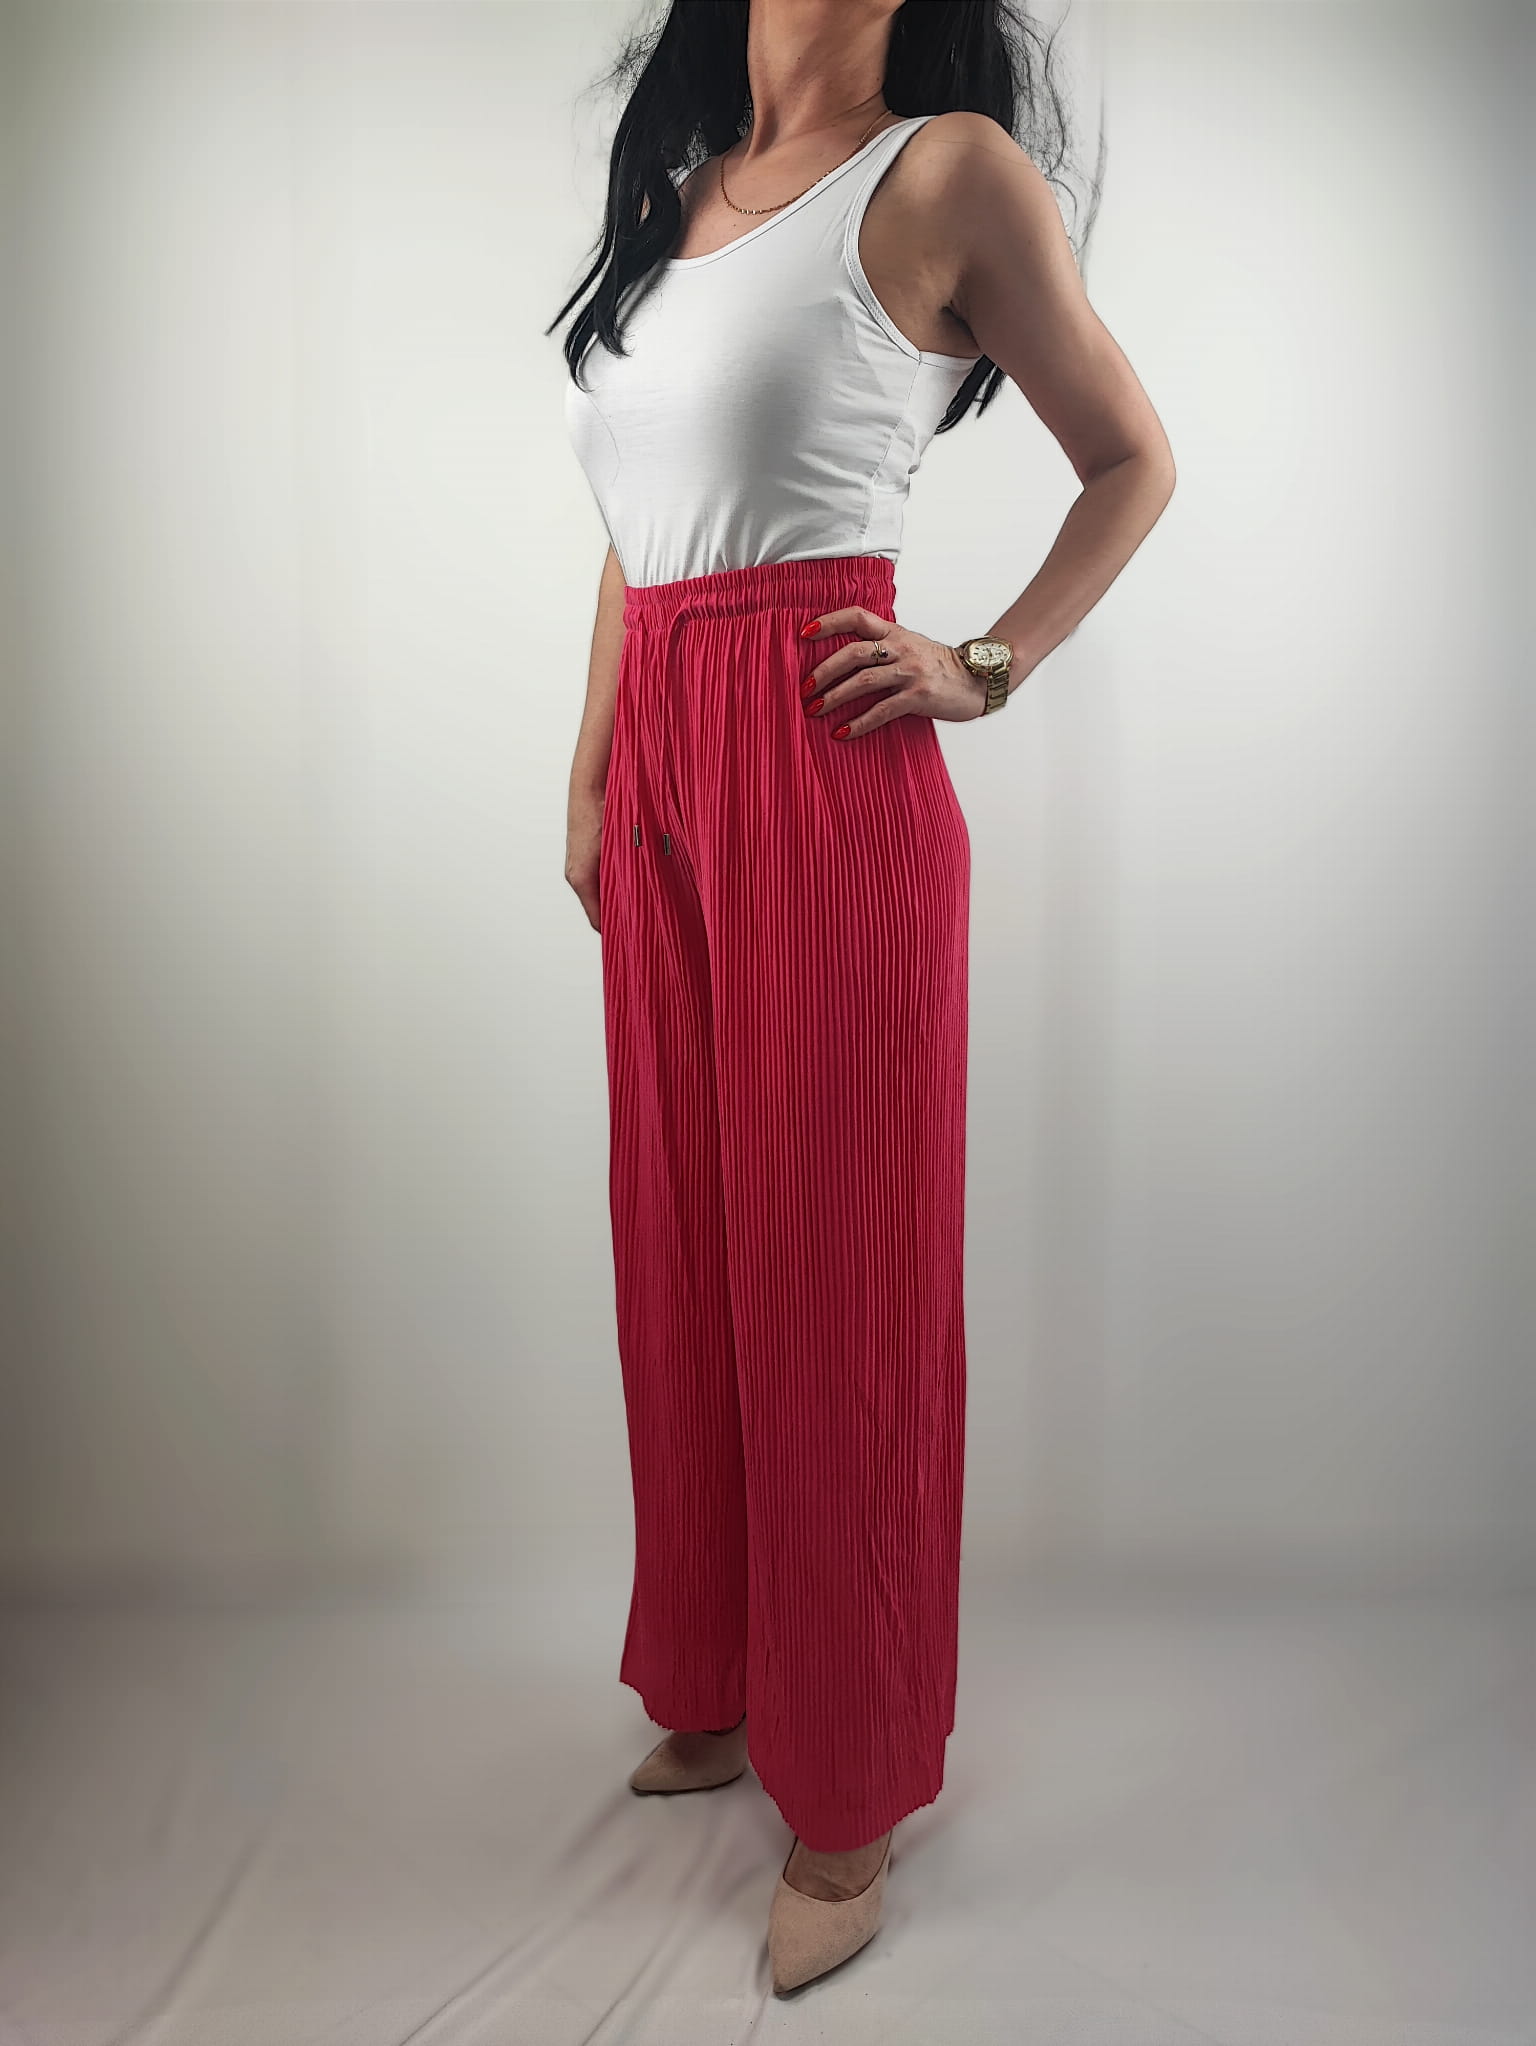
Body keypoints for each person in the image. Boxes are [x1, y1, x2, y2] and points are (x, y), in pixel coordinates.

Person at [550, 0, 1174, 1995]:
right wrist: (596, 770)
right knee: (685, 1249)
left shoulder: (944, 174)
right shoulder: (683, 196)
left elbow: (1132, 460)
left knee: (837, 1282)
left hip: (825, 768)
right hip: (665, 765)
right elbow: (628, 528)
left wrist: (982, 663)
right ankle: (724, 1675)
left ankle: (850, 1784)